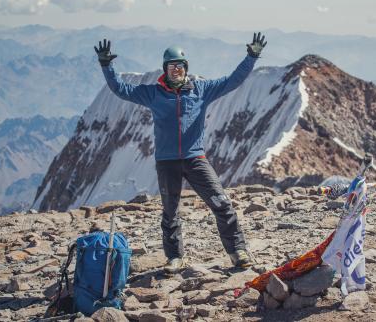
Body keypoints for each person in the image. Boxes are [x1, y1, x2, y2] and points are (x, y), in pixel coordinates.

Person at [94, 33, 267, 273]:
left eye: (180, 66)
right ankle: (175, 257)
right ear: (165, 69)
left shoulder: (202, 90)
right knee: (170, 212)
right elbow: (120, 89)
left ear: (186, 68)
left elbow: (232, 81)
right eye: (171, 66)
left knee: (221, 203)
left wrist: (251, 57)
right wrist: (107, 65)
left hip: (196, 158)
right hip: (167, 162)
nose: (176, 70)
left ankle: (238, 251)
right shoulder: (153, 93)